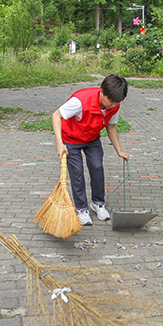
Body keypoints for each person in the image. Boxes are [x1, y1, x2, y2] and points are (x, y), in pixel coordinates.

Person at [51, 75, 130, 225]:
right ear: (101, 92)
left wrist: (119, 151)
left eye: (117, 102)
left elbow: (111, 126)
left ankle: (98, 203)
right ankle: (82, 208)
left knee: (97, 166)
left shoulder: (114, 105)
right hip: (71, 139)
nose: (113, 105)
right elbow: (56, 115)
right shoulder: (80, 102)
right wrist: (60, 144)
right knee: (77, 173)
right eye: (110, 101)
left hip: (92, 138)